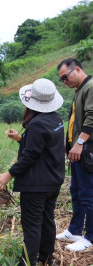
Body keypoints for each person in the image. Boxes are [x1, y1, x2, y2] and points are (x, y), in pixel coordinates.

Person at [0, 78, 65, 266]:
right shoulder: (56, 119)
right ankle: (46, 258)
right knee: (47, 220)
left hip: (36, 184)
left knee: (32, 224)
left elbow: (30, 155)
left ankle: (27, 265)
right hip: (53, 181)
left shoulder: (36, 124)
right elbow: (43, 147)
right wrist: (19, 138)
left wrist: (9, 174)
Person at [55, 58, 93, 252]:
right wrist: (68, 142)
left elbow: (92, 117)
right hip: (78, 148)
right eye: (62, 79)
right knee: (76, 192)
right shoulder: (79, 90)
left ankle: (91, 237)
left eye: (65, 77)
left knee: (87, 194)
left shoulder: (91, 86)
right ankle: (75, 230)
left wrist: (79, 143)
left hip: (86, 149)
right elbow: (74, 122)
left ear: (76, 69)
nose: (65, 82)